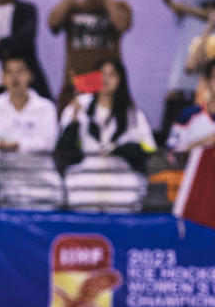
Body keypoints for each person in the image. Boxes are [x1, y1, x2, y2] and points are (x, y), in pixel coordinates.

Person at [56, 55, 156, 211]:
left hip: (120, 174)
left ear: (120, 80)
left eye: (112, 75)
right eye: (101, 74)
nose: (105, 79)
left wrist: (119, 148)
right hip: (85, 173)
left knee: (128, 194)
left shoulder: (132, 113)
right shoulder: (78, 106)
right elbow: (64, 149)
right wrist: (74, 119)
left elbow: (148, 149)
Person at [0, 54, 62, 207]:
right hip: (6, 190)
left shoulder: (46, 108)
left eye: (20, 71)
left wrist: (18, 145)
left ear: (30, 75)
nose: (15, 77)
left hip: (43, 188)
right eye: (9, 72)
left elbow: (48, 142)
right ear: (2, 78)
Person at [47, 0, 133, 109]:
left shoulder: (119, 6)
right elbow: (53, 23)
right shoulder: (73, 8)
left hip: (107, 86)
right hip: (76, 85)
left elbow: (121, 25)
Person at [162, 0, 215, 130]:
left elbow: (214, 16)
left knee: (199, 86)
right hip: (186, 38)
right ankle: (176, 134)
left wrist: (185, 9)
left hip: (203, 37)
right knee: (177, 87)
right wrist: (170, 3)